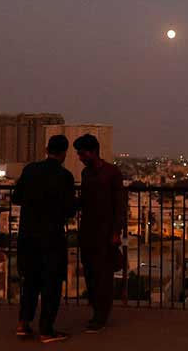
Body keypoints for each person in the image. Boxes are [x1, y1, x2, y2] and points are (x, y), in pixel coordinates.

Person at [12, 135, 75, 344]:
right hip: (51, 237)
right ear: (64, 152)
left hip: (27, 235)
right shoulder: (64, 176)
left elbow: (17, 197)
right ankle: (46, 330)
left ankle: (23, 323)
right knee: (51, 283)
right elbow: (69, 209)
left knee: (30, 280)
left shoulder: (30, 170)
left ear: (47, 149)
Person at [74, 134, 127, 333]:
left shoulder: (112, 173)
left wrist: (116, 232)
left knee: (102, 274)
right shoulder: (87, 173)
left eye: (82, 153)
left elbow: (120, 205)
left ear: (93, 151)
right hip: (88, 230)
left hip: (105, 233)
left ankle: (100, 315)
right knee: (90, 273)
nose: (80, 157)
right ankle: (97, 312)